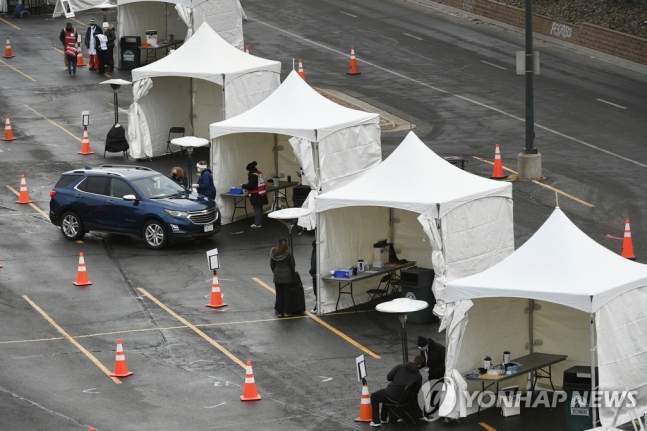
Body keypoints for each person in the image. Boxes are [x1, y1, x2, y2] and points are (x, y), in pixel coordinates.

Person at [370, 355, 424, 427]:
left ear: (412, 360)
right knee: (386, 397)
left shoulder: (400, 366)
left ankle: (376, 421)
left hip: (391, 393)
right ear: (419, 365)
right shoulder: (418, 376)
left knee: (374, 396)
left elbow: (389, 377)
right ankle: (383, 419)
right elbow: (416, 391)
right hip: (404, 399)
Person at [270, 237, 295, 318]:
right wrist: (292, 274)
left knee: (279, 294)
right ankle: (286, 311)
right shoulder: (289, 254)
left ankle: (279, 311)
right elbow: (292, 265)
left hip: (277, 276)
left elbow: (272, 265)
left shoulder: (274, 253)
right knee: (287, 294)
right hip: (287, 276)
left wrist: (275, 271)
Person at [241, 161, 268, 228]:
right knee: (260, 209)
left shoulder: (253, 175)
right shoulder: (259, 173)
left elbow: (251, 185)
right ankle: (260, 222)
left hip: (256, 194)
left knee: (257, 209)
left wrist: (243, 185)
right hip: (262, 193)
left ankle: (257, 223)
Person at [309, 239, 317, 313]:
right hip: (317, 275)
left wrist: (310, 271)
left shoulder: (315, 254)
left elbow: (314, 266)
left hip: (315, 276)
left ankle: (317, 307)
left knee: (316, 291)